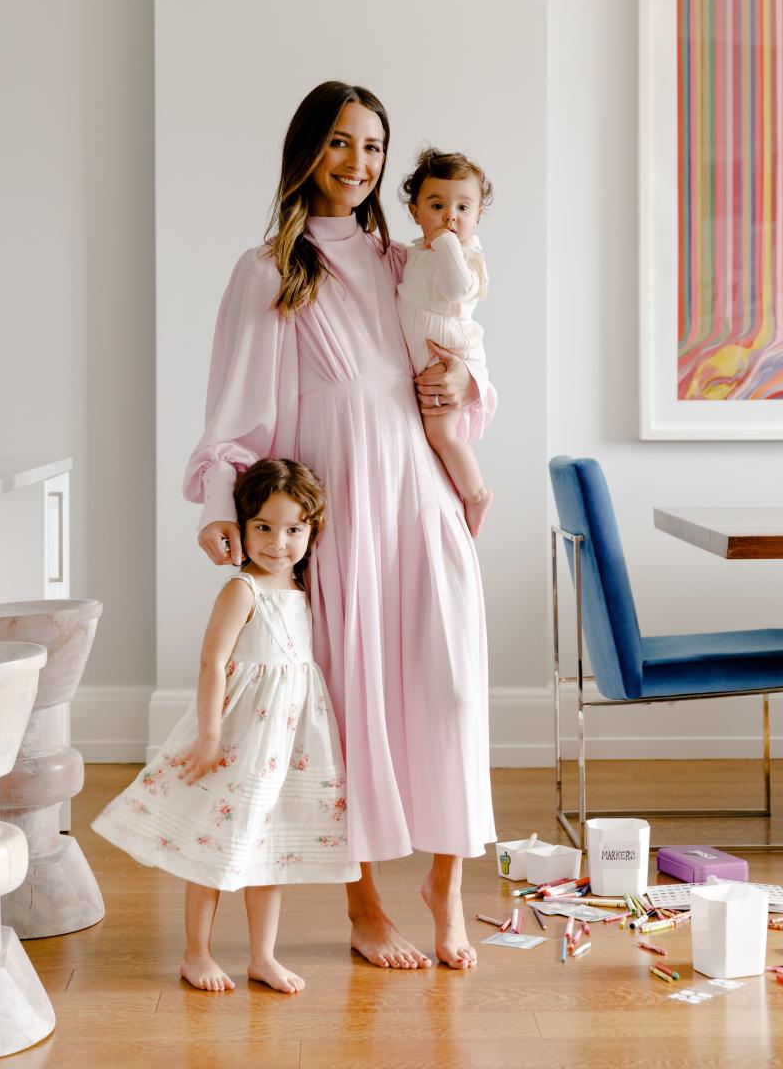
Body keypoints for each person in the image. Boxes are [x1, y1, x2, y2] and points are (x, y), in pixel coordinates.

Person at [185, 81, 496, 971]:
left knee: (454, 690)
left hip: (422, 496)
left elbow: (468, 354)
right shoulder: (268, 270)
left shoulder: (407, 264)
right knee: (348, 708)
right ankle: (364, 906)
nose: (357, 164)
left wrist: (463, 388)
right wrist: (224, 510)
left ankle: (446, 886)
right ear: (307, 153)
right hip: (341, 510)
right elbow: (234, 411)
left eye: (372, 147)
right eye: (340, 143)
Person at [92, 458, 358, 995]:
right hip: (239, 738)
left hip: (285, 743)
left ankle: (263, 956)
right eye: (262, 527)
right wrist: (209, 735)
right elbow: (212, 663)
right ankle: (196, 953)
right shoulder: (243, 591)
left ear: (311, 531)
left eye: (293, 530)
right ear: (240, 527)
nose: (277, 542)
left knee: (270, 851)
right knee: (211, 847)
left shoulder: (307, 592)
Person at [397, 147, 494, 538]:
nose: (450, 216)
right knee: (429, 436)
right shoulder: (416, 252)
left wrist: (448, 242)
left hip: (450, 351)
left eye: (462, 207)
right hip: (427, 355)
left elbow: (458, 289)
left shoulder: (465, 254)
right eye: (437, 205)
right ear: (415, 212)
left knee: (442, 433)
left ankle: (476, 493)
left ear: (477, 216)